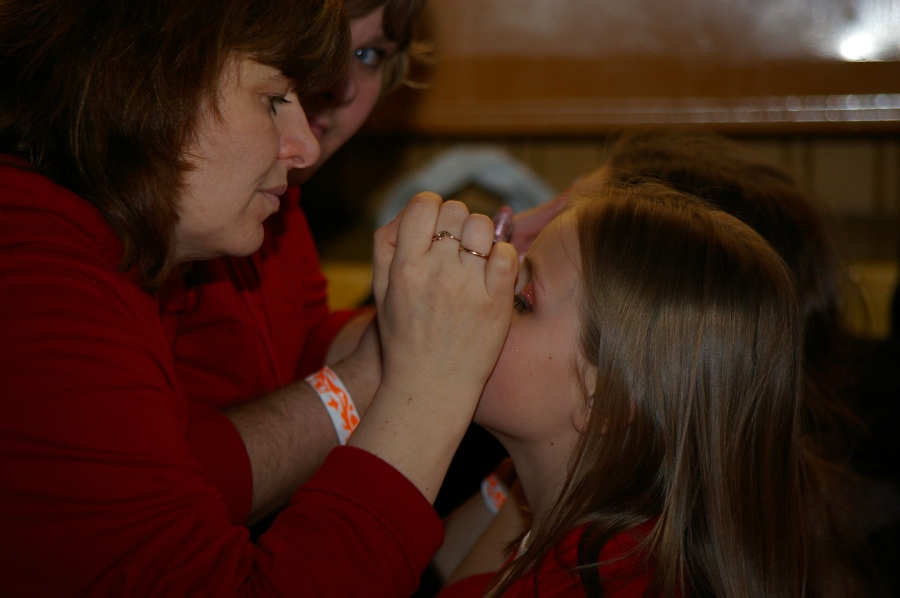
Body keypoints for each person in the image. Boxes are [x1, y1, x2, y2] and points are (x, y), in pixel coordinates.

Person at [0, 0, 518, 595]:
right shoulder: (34, 280)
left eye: (369, 54)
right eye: (273, 99)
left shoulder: (137, 236)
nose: (305, 146)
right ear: (150, 74)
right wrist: (427, 384)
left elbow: (291, 359)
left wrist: (426, 322)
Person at [438, 180, 833, 597]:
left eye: (524, 301)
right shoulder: (604, 546)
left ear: (604, 403)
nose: (488, 296)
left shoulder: (596, 583)